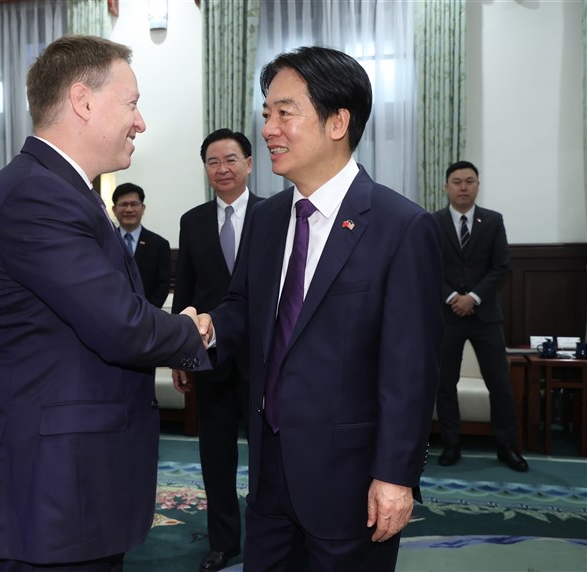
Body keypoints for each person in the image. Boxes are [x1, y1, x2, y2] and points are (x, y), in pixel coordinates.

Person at [184, 46, 444, 571]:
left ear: (337, 122)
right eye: (265, 114)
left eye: (285, 112)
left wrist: (395, 476)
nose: (268, 129)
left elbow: (410, 368)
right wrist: (208, 330)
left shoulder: (401, 227)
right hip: (269, 470)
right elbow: (242, 308)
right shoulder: (267, 218)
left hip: (350, 481)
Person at [0, 35, 209, 572]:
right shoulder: (38, 194)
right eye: (132, 103)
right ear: (83, 100)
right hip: (50, 489)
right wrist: (192, 331)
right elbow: (121, 325)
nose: (140, 122)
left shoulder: (63, 190)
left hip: (74, 482)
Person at [171, 128, 262, 572]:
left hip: (263, 361)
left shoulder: (276, 214)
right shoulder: (192, 221)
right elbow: (185, 294)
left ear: (249, 162)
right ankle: (224, 541)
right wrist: (181, 355)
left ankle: (269, 536)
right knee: (216, 458)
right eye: (212, 162)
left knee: (269, 457)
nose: (222, 169)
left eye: (230, 159)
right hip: (209, 361)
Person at [433, 160, 528, 472]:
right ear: (446, 186)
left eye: (469, 181)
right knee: (445, 383)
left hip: (485, 315)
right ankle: (451, 444)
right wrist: (452, 297)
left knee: (499, 383)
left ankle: (506, 447)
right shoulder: (432, 223)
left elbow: (501, 266)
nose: (463, 187)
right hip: (447, 315)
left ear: (477, 185)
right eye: (457, 181)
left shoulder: (493, 220)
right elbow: (427, 267)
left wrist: (472, 297)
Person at [111, 182, 171, 308]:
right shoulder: (104, 242)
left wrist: (148, 313)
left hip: (148, 314)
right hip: (111, 312)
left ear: (143, 208)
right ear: (114, 210)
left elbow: (162, 285)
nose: (129, 209)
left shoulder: (159, 245)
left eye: (134, 204)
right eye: (123, 204)